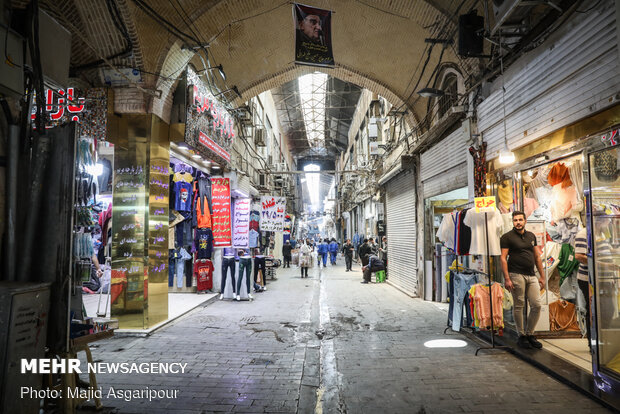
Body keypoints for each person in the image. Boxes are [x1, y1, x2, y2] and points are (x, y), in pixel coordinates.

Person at [500, 211, 545, 349]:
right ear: (512, 222)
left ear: (525, 221)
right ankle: (521, 335)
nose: (518, 222)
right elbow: (503, 258)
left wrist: (542, 276)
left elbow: (537, 257)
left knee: (536, 304)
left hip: (531, 275)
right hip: (516, 274)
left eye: (520, 219)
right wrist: (507, 278)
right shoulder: (507, 237)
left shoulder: (531, 236)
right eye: (515, 220)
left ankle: (530, 334)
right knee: (519, 304)